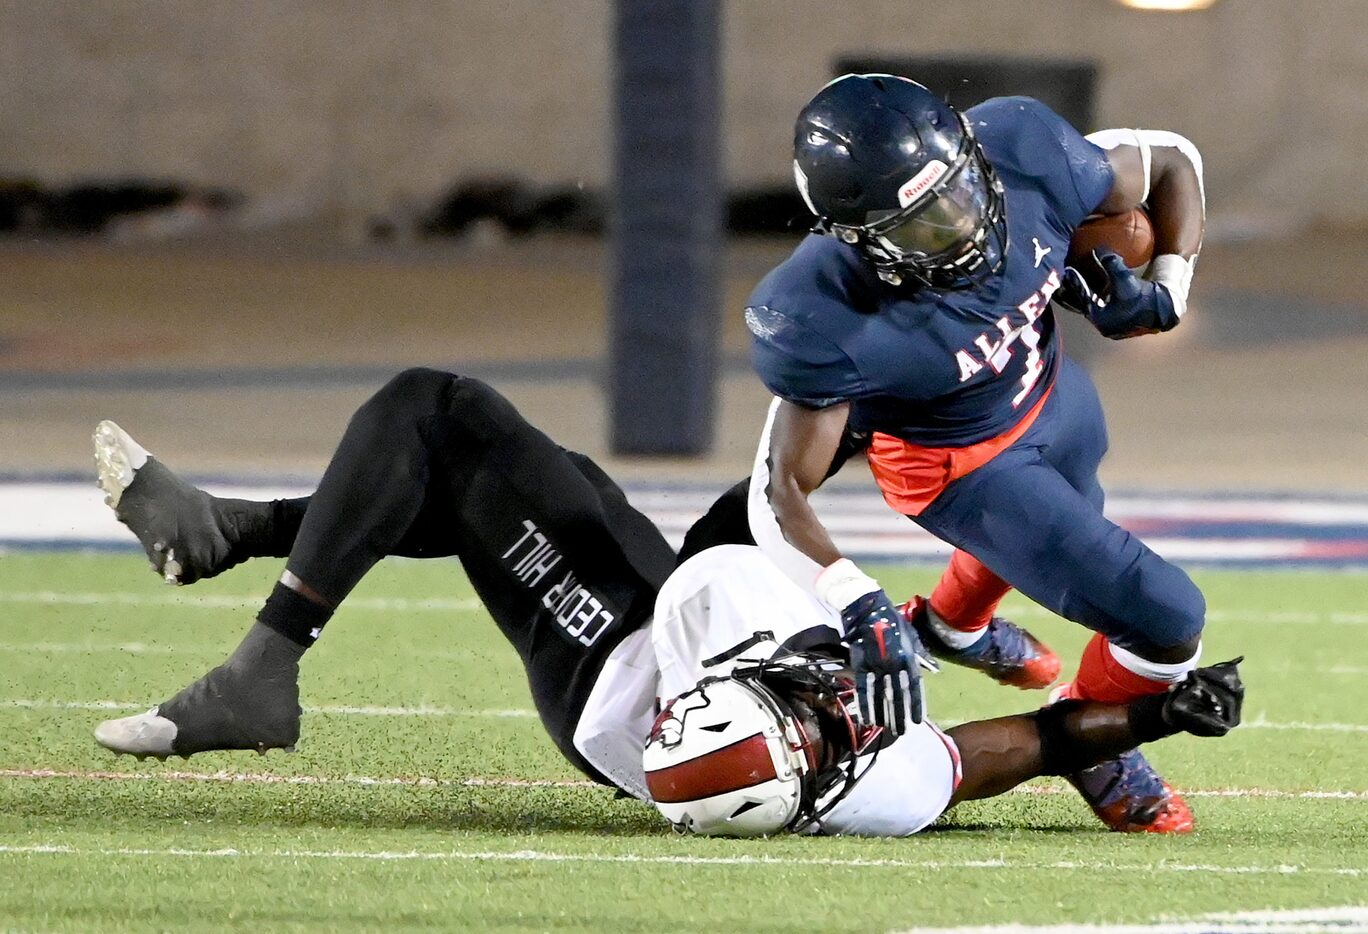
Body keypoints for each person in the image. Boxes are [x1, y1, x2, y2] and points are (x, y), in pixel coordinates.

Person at [89, 372, 1242, 835]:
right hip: (682, 653)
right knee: (564, 484)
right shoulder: (872, 781)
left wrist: (850, 601)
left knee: (439, 418)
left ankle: (265, 663)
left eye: (806, 704)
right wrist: (1154, 713)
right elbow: (1025, 746)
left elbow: (744, 559)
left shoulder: (710, 637)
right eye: (823, 713)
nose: (836, 706)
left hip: (613, 658)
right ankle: (234, 531)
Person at [744, 74, 1208, 832]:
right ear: (859, 239)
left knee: (1071, 510)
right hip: (963, 468)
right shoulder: (822, 311)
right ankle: (1092, 739)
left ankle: (952, 629)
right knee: (1167, 618)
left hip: (1052, 393)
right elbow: (777, 492)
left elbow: (1173, 161)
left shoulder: (1021, 148)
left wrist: (1167, 285)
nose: (963, 229)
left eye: (960, 193)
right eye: (925, 226)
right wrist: (854, 600)